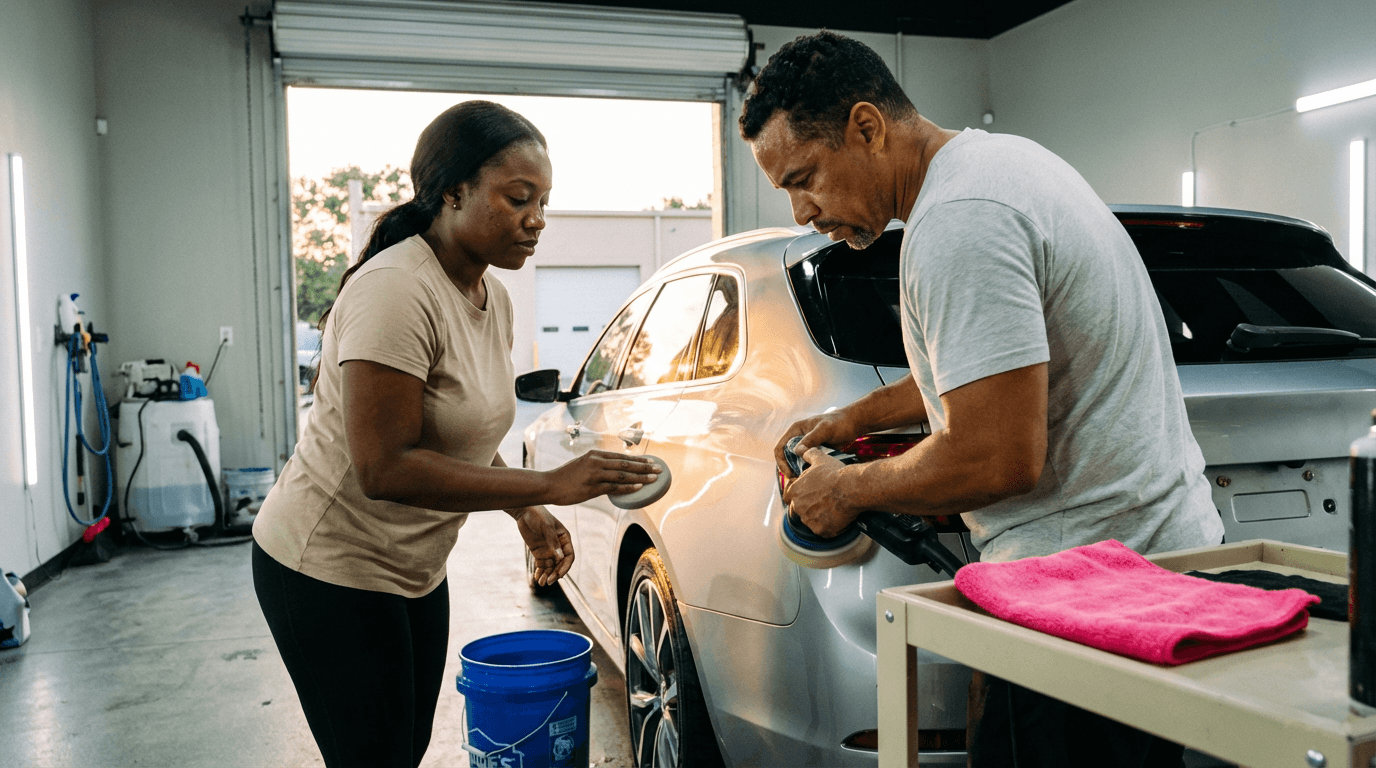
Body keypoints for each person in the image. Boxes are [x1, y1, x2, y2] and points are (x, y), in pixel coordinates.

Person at [739, 31, 1224, 768]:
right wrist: (854, 417)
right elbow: (986, 369)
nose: (803, 209)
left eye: (804, 177)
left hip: (1087, 602)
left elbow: (996, 456)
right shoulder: (1005, 165)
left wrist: (845, 488)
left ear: (866, 128)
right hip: (1143, 565)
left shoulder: (959, 221)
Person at [251, 101, 660, 768]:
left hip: (413, 567)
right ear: (452, 192)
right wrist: (547, 483)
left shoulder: (488, 296)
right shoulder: (394, 292)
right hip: (326, 566)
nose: (538, 220)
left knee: (401, 749)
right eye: (518, 198)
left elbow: (457, 431)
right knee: (374, 756)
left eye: (544, 202)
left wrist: (526, 508)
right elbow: (383, 467)